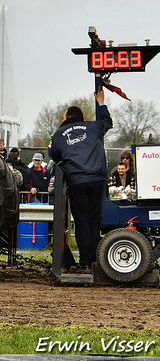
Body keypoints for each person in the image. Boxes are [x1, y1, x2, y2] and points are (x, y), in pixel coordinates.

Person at [49, 87, 112, 273]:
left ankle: (85, 260)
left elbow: (54, 154)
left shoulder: (59, 134)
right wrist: (101, 102)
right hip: (97, 179)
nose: (61, 119)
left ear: (68, 117)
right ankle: (97, 259)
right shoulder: (93, 127)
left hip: (77, 181)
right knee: (94, 220)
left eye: (62, 117)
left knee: (82, 221)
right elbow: (107, 122)